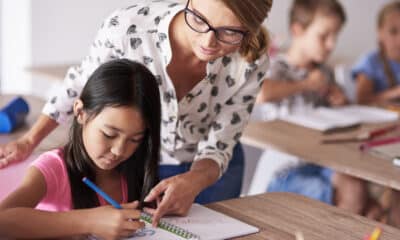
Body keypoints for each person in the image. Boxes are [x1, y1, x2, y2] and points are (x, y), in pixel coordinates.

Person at [0, 0, 272, 224]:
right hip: (145, 163)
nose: (208, 41)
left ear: (249, 30)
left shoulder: (251, 60)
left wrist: (196, 179)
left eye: (229, 32)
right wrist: (29, 141)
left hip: (212, 169)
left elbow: (223, 138)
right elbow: (79, 86)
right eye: (199, 19)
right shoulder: (129, 29)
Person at [0, 59, 161, 239]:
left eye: (135, 139)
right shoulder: (54, 168)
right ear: (80, 112)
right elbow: (2, 220)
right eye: (109, 134)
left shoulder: (136, 166)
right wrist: (89, 221)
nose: (119, 150)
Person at [256, 0, 382, 219]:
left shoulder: (325, 72)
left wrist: (342, 102)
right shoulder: (277, 66)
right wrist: (306, 84)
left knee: (368, 203)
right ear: (298, 30)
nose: (331, 44)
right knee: (354, 199)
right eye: (324, 36)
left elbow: (341, 118)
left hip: (322, 161)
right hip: (285, 166)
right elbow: (262, 94)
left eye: (335, 36)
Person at [352, 1, 400, 227]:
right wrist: (393, 93)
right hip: (375, 143)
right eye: (393, 32)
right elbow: (361, 100)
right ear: (380, 32)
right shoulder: (371, 62)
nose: (399, 39)